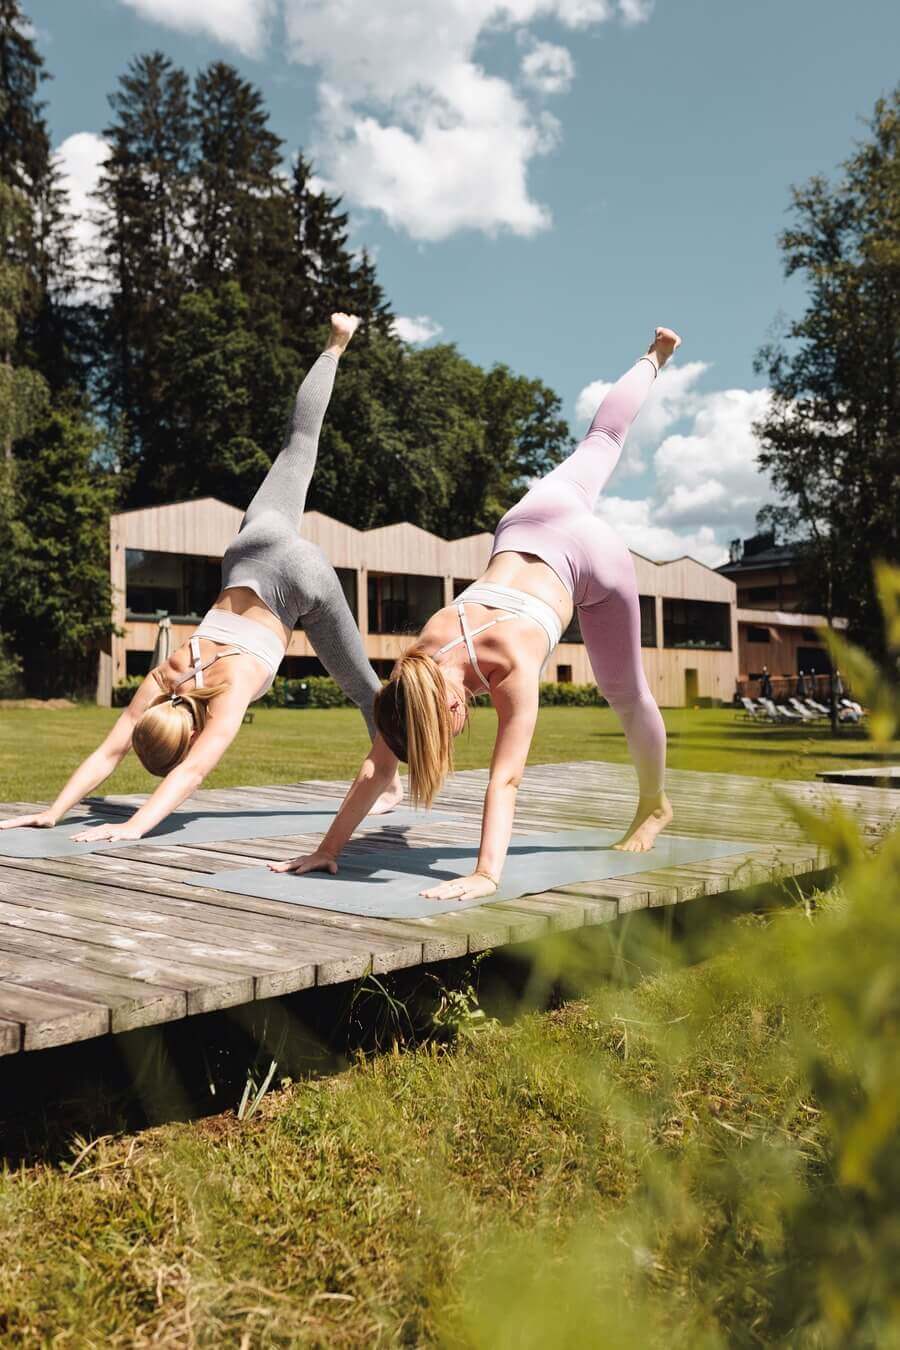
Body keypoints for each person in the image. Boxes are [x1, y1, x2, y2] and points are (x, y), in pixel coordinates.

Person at [270, 327, 681, 903]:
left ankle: (655, 804)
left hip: (591, 559)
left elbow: (506, 776)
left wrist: (487, 873)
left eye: (449, 732)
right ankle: (654, 356)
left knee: (627, 694)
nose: (455, 738)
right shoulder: (416, 671)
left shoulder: (508, 668)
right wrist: (327, 849)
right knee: (602, 439)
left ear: (455, 703)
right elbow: (377, 767)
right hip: (531, 518)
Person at [0, 314, 402, 845]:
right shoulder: (166, 677)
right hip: (250, 551)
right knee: (298, 443)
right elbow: (112, 750)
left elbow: (188, 773)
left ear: (189, 737)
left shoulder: (228, 695)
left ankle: (390, 782)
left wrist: (132, 826)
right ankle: (335, 342)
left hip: (301, 578)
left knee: (365, 689)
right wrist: (53, 812)